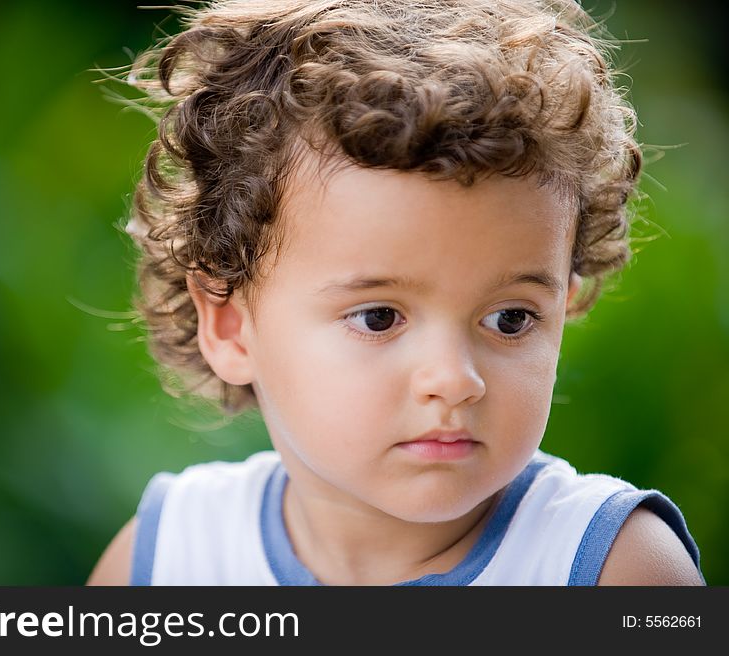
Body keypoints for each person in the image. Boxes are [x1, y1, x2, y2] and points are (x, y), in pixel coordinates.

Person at [88, 0, 704, 585]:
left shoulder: (609, 569)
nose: (455, 379)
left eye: (511, 318)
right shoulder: (166, 561)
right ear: (229, 325)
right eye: (379, 317)